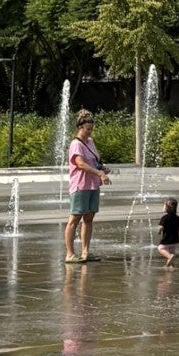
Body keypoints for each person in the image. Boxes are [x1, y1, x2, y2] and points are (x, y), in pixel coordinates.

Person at [63, 110, 111, 264]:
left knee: (89, 218)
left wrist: (102, 168)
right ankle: (70, 254)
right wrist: (100, 173)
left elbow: (93, 160)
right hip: (80, 185)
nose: (89, 132)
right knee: (75, 218)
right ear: (80, 127)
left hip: (92, 184)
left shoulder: (90, 141)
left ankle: (85, 252)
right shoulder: (75, 144)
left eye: (91, 129)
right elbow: (81, 164)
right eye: (87, 129)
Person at [156, 197, 179, 267]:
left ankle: (169, 256)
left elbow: (161, 227)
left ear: (167, 208)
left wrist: (159, 232)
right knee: (171, 251)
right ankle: (171, 267)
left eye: (163, 206)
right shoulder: (177, 217)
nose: (163, 207)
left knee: (161, 248)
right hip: (175, 240)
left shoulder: (165, 218)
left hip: (166, 240)